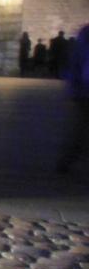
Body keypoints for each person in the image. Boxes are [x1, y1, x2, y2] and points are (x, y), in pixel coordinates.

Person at [57, 24, 89, 173]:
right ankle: (67, 161)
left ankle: (67, 160)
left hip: (80, 92)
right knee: (79, 131)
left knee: (79, 130)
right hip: (83, 92)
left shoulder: (82, 38)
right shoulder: (84, 38)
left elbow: (73, 66)